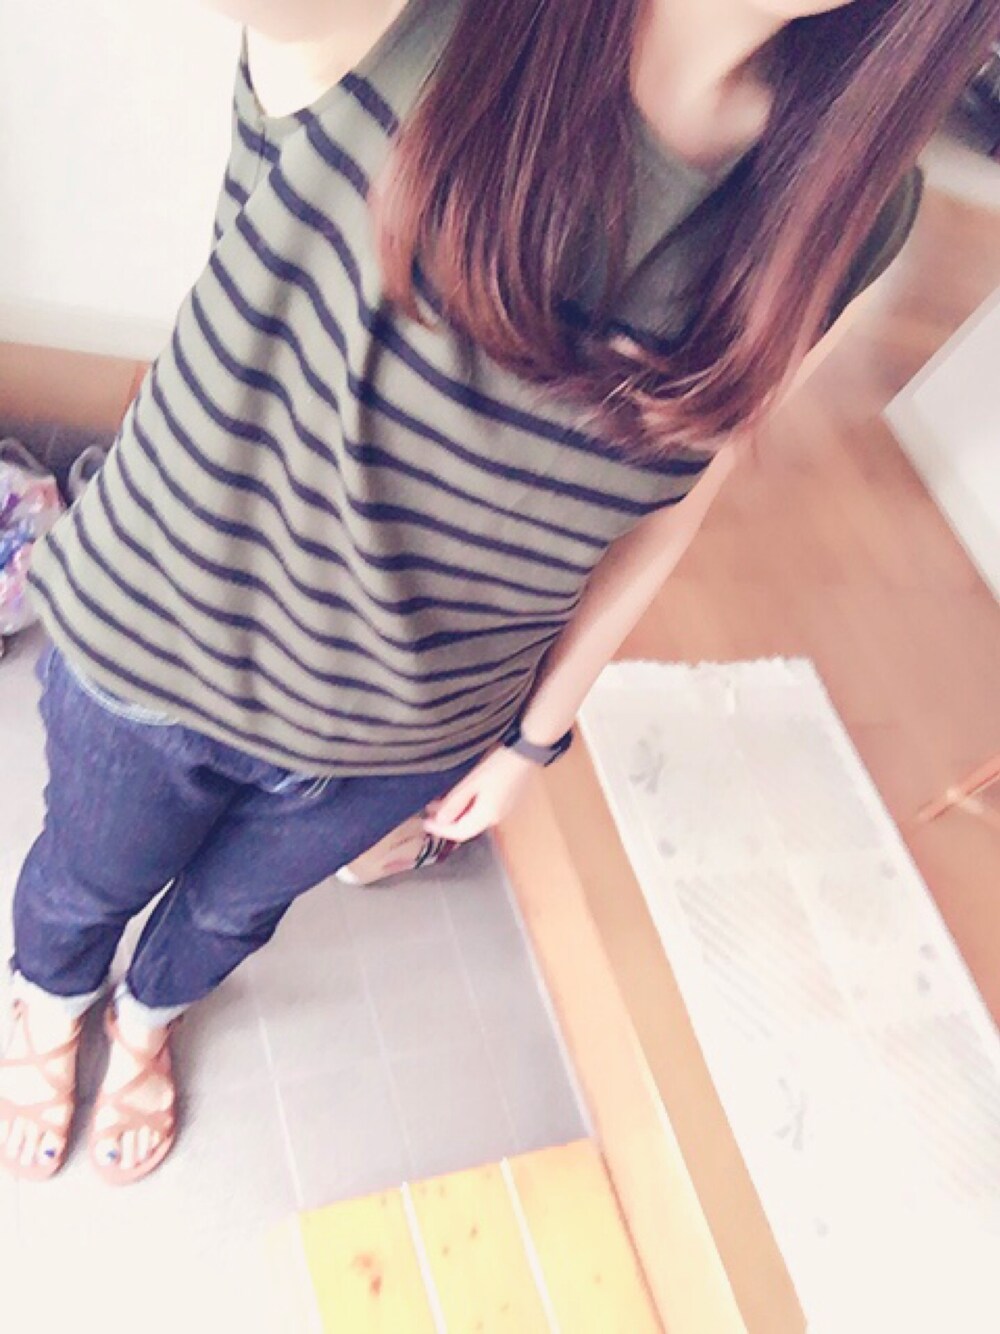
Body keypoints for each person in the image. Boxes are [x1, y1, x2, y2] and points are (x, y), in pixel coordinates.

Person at [1, 0, 993, 1183]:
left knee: (228, 914)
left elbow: (674, 500)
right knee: (83, 879)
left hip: (407, 733)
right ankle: (49, 1009)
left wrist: (532, 735)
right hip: (154, 652)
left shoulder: (851, 200)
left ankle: (147, 1023)